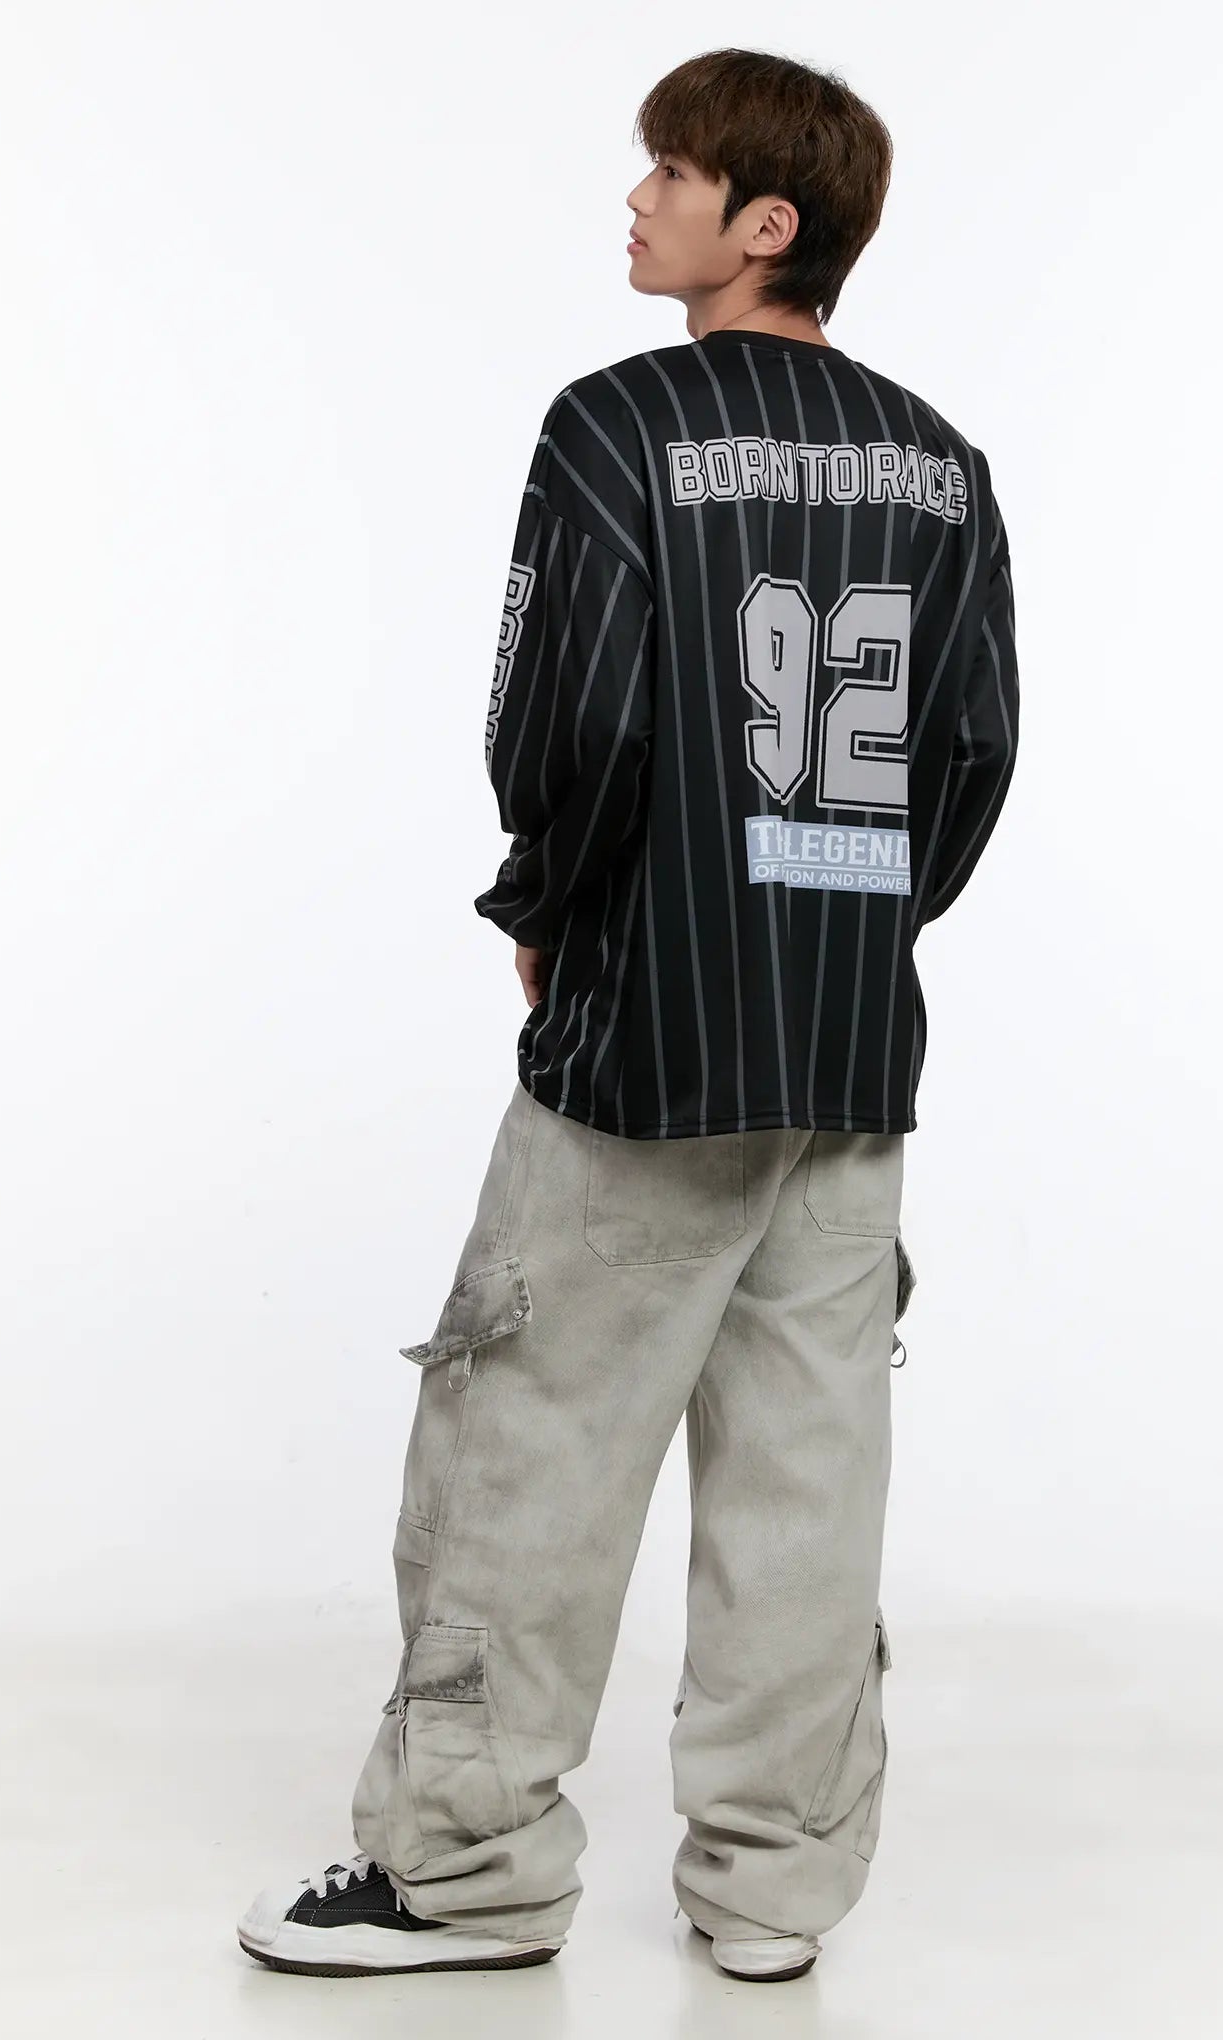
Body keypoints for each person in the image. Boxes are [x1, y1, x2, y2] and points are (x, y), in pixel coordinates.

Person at [236, 44, 1018, 1986]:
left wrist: (548, 908)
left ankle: (464, 1881)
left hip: (645, 1046)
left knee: (527, 1453)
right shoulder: (943, 463)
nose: (638, 199)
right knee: (807, 1484)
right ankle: (773, 1897)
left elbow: (570, 719)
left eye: (672, 172)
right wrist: (848, 919)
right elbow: (972, 753)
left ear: (767, 222)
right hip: (846, 1052)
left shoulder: (615, 426)